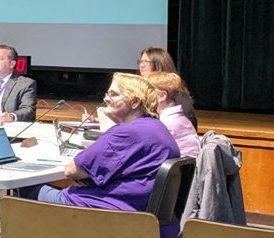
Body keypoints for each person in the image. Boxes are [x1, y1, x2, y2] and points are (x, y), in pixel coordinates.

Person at [25, 73, 179, 218]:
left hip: (108, 213)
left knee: (25, 190)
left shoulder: (126, 133)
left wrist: (87, 178)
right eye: (107, 93)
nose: (106, 99)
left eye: (113, 94)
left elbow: (72, 170)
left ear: (135, 102)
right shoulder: (157, 127)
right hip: (140, 214)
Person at [137, 46, 197, 128]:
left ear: (159, 65)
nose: (142, 65)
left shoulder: (178, 97)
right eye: (141, 62)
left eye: (146, 62)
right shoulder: (140, 91)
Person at [144, 71, 200, 158]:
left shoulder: (167, 122)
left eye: (147, 91)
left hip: (175, 170)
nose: (142, 95)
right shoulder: (177, 117)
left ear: (162, 96)